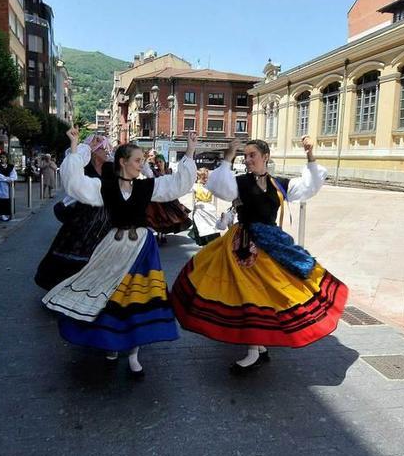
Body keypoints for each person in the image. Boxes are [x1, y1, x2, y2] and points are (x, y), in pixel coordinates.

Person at [169, 136, 349, 374]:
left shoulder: (279, 184)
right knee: (248, 294)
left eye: (253, 155)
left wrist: (309, 154)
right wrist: (229, 157)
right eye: (246, 156)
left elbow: (310, 186)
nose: (249, 160)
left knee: (265, 295)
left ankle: (258, 348)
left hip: (271, 246)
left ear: (266, 157)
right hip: (242, 246)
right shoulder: (240, 182)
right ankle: (256, 350)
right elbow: (219, 187)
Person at [42, 128, 198, 378]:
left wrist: (190, 151)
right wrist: (75, 147)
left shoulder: (147, 187)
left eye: (142, 161)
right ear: (123, 162)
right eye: (137, 160)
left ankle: (134, 355)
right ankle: (111, 345)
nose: (141, 164)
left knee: (135, 300)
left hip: (141, 250)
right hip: (112, 248)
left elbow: (176, 185)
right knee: (110, 299)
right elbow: (75, 184)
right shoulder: (105, 187)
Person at [34, 133, 113, 290]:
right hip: (82, 218)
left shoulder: (109, 169)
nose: (108, 152)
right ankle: (65, 289)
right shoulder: (84, 168)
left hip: (103, 221)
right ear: (95, 151)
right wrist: (85, 146)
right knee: (74, 252)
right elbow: (71, 168)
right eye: (104, 148)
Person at [144, 154, 192, 244]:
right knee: (159, 218)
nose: (158, 164)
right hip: (159, 200)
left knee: (171, 217)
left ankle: (163, 235)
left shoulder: (170, 171)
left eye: (160, 162)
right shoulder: (154, 172)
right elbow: (146, 170)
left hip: (170, 198)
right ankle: (160, 235)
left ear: (164, 162)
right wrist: (146, 158)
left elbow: (177, 182)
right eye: (157, 162)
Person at [189, 167, 222, 246]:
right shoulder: (198, 186)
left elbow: (193, 201)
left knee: (206, 230)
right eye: (204, 176)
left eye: (205, 176)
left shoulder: (200, 186)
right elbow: (215, 200)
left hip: (205, 210)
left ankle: (207, 245)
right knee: (207, 229)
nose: (205, 178)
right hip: (205, 210)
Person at [0, 153, 18, 221]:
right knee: (0, 200)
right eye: (1, 157)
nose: (2, 159)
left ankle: (9, 213)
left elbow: (14, 176)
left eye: (4, 157)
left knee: (9, 199)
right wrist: (7, 179)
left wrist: (10, 179)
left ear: (7, 158)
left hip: (9, 186)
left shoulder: (11, 166)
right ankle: (1, 214)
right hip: (0, 185)